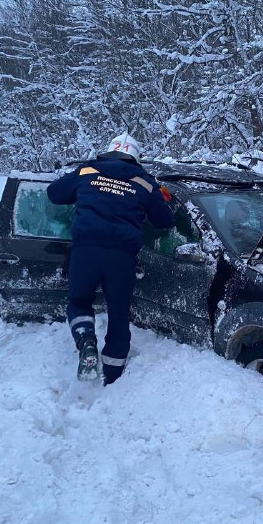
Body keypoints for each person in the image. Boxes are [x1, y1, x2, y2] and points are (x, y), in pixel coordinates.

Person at [47, 132, 174, 384]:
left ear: (109, 150)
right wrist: (161, 198)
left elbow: (54, 193)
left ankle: (85, 340)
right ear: (135, 156)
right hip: (121, 258)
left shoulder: (87, 171)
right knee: (118, 314)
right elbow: (165, 221)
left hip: (85, 252)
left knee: (79, 301)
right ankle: (112, 375)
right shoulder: (146, 182)